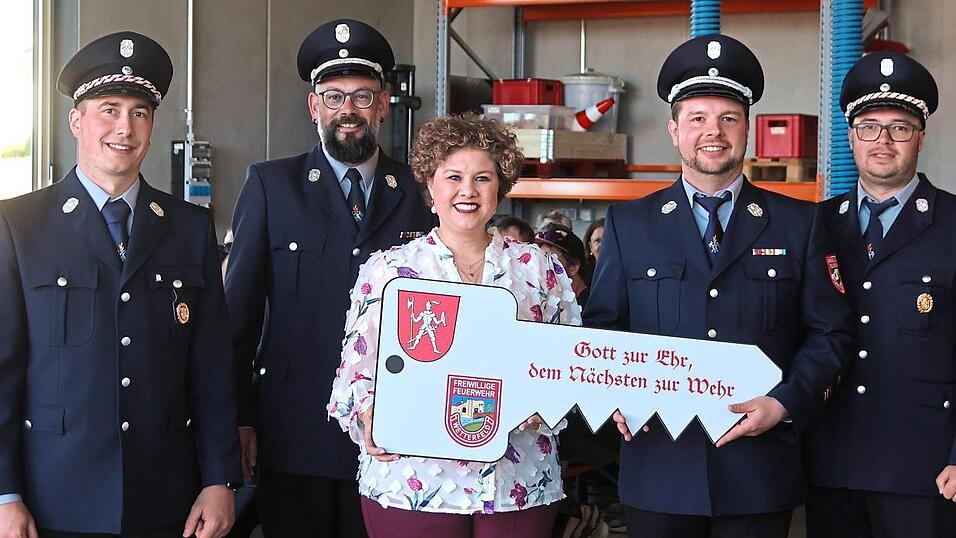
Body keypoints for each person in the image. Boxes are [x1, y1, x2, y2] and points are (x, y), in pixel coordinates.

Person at [584, 34, 854, 538]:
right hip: (659, 465)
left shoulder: (800, 225)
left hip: (757, 470)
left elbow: (830, 335)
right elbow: (603, 329)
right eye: (698, 119)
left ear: (747, 129)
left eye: (729, 118)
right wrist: (610, 398)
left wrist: (785, 403)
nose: (714, 132)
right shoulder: (630, 224)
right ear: (674, 131)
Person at [0, 32, 241, 537]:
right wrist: (5, 493)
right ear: (76, 121)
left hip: (165, 497)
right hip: (55, 497)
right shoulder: (19, 225)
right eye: (108, 109)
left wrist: (221, 479)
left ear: (152, 126)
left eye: (139, 113)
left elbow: (212, 365)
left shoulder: (190, 228)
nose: (123, 127)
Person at [224, 18, 434, 538]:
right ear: (314, 106)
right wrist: (240, 417)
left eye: (362, 96)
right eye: (334, 96)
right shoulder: (272, 186)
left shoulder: (421, 191)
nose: (348, 111)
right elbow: (239, 317)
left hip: (396, 430)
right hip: (295, 429)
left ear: (384, 105)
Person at [328, 114, 581, 537]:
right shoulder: (390, 269)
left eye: (482, 178)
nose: (468, 191)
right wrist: (367, 415)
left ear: (500, 187)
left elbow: (570, 362)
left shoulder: (539, 268)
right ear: (430, 185)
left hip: (516, 480)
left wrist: (544, 404)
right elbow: (354, 375)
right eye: (453, 177)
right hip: (413, 479)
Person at [805, 52, 956, 538]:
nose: (883, 141)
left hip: (926, 469)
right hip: (830, 463)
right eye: (869, 126)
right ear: (850, 136)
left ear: (921, 136)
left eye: (900, 127)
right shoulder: (815, 227)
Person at [534, 222, 591, 307]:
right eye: (537, 258)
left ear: (573, 267)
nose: (540, 265)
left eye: (549, 259)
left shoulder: (593, 308)